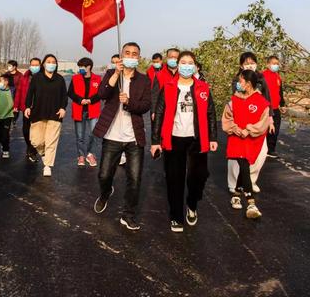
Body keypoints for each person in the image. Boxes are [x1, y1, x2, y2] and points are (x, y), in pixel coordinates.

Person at [152, 51, 218, 232]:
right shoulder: (168, 86)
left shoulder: (203, 88)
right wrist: (155, 140)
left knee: (199, 176)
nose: (186, 65)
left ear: (195, 66)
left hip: (197, 138)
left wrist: (213, 137)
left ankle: (192, 203)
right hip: (174, 138)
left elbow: (211, 113)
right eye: (183, 62)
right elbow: (158, 114)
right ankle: (176, 216)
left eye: (190, 62)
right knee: (174, 178)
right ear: (178, 65)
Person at [93, 42, 151, 231]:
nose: (131, 56)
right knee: (104, 174)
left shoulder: (143, 80)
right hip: (112, 135)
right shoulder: (111, 75)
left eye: (135, 54)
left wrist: (129, 102)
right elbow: (101, 94)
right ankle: (105, 192)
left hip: (134, 137)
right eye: (127, 53)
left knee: (134, 179)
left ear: (139, 58)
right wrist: (116, 74)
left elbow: (145, 105)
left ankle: (128, 215)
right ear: (121, 55)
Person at [222, 69, 269, 219]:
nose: (237, 83)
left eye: (240, 80)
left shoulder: (261, 102)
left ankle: (236, 194)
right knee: (243, 164)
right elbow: (227, 118)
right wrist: (235, 129)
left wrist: (249, 130)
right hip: (236, 138)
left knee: (245, 165)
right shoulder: (233, 101)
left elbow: (263, 123)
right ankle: (251, 202)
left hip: (252, 139)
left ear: (248, 84)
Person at [227, 52, 273, 194]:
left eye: (252, 62)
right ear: (241, 65)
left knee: (260, 153)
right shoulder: (238, 80)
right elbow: (236, 98)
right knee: (237, 156)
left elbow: (267, 99)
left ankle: (251, 180)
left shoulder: (261, 79)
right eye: (247, 63)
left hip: (259, 123)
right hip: (241, 123)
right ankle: (233, 184)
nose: (250, 65)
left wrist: (270, 119)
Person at [24, 54, 67, 177]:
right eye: (49, 61)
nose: (51, 64)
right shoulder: (37, 78)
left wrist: (63, 108)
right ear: (43, 64)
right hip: (38, 113)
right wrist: (27, 106)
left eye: (53, 62)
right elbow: (30, 94)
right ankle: (43, 154)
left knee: (51, 141)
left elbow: (64, 96)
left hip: (55, 114)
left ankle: (47, 165)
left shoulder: (60, 79)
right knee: (36, 141)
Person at [68, 57, 101, 167]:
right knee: (80, 136)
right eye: (80, 66)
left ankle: (90, 153)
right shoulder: (75, 78)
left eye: (82, 66)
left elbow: (100, 93)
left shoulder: (97, 79)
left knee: (93, 134)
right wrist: (80, 100)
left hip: (93, 110)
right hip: (79, 109)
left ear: (89, 67)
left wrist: (91, 100)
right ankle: (81, 155)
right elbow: (70, 92)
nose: (81, 68)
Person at [14, 57, 41, 162]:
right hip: (26, 107)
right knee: (26, 130)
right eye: (32, 65)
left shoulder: (42, 77)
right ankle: (29, 145)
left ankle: (33, 150)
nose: (34, 67)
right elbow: (19, 92)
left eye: (36, 65)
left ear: (40, 66)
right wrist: (16, 105)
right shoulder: (25, 77)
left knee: (36, 131)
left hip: (39, 108)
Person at [262, 55, 286, 158]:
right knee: (265, 129)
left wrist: (282, 104)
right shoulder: (262, 76)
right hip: (265, 108)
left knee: (275, 129)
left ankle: (271, 149)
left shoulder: (278, 77)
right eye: (273, 63)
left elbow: (280, 92)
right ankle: (264, 148)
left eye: (277, 64)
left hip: (276, 107)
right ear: (268, 64)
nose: (275, 65)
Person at [151, 48, 180, 118]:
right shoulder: (159, 75)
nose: (173, 59)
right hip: (163, 111)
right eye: (171, 57)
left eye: (175, 57)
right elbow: (155, 95)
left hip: (179, 111)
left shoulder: (183, 75)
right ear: (167, 58)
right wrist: (153, 111)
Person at [7, 60, 23, 126]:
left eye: (10, 66)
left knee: (16, 109)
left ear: (14, 67)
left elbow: (21, 85)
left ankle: (14, 120)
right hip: (8, 92)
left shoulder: (20, 75)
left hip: (16, 93)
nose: (8, 67)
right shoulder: (7, 74)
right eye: (8, 66)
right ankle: (8, 120)